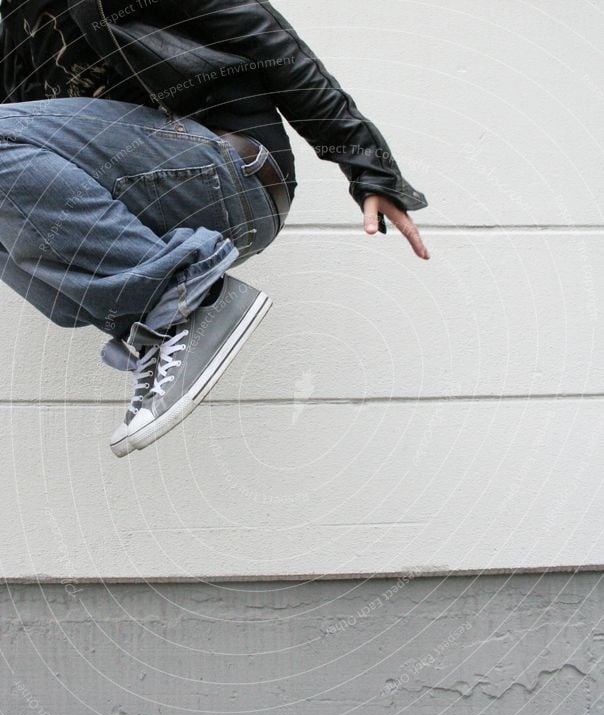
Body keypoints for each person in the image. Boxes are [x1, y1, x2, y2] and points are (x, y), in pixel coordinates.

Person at [0, 0, 430, 457]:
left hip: (229, 168)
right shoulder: (12, 23)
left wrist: (367, 166)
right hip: (151, 194)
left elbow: (268, 40)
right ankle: (161, 325)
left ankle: (189, 301)